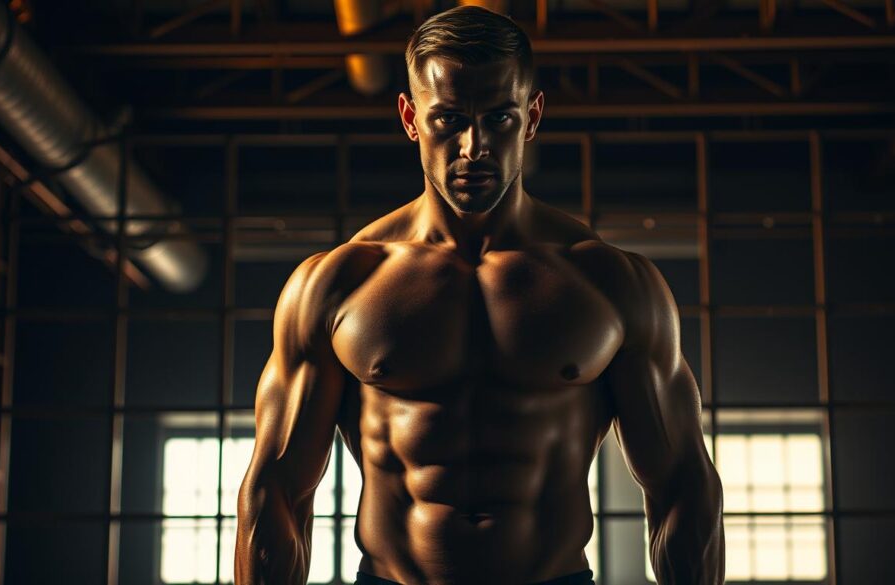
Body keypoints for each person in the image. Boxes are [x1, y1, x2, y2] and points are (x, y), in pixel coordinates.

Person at [235, 5, 724, 584]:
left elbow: (682, 484)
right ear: (410, 118)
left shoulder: (610, 284)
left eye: (499, 118)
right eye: (448, 119)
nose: (474, 146)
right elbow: (276, 491)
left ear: (532, 116)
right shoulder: (340, 283)